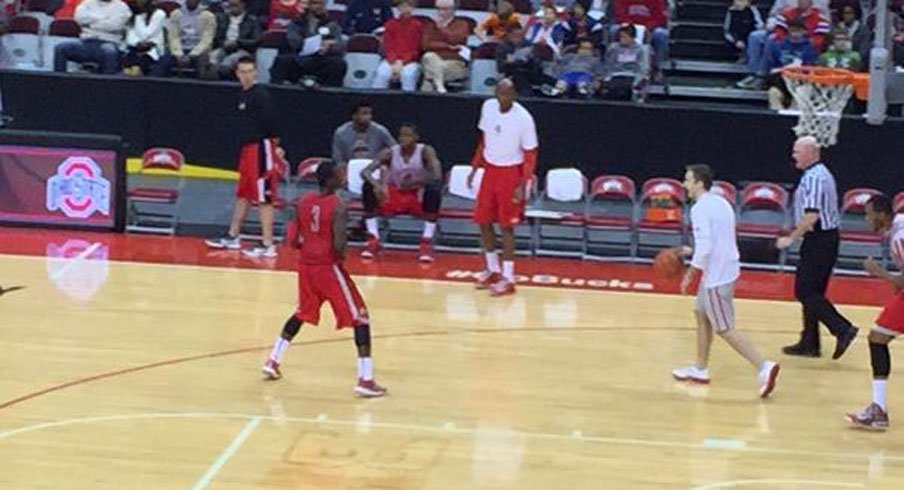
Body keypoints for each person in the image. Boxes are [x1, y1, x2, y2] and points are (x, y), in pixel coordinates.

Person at [261, 160, 387, 398]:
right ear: (330, 180)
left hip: (306, 267)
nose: (344, 176)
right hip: (328, 268)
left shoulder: (304, 201)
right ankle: (366, 379)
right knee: (360, 317)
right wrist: (339, 252)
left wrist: (310, 244)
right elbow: (339, 245)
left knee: (301, 312)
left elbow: (291, 239)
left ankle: (273, 360)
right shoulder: (338, 206)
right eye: (340, 173)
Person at [671, 164, 781, 398]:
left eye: (688, 180)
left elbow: (707, 246)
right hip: (725, 267)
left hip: (716, 275)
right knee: (701, 313)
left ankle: (764, 366)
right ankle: (700, 369)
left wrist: (690, 273)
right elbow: (717, 241)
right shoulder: (721, 202)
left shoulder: (700, 209)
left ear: (699, 183)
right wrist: (693, 251)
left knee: (724, 327)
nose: (684, 184)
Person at [776, 136, 859, 358]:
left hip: (820, 240)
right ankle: (810, 342)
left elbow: (811, 216)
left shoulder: (814, 177)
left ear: (811, 152)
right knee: (813, 292)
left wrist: (790, 238)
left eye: (797, 151)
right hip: (825, 240)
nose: (793, 155)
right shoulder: (820, 174)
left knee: (804, 291)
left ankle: (842, 328)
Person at [205, 57, 287, 258]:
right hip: (248, 149)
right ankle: (233, 235)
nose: (246, 75)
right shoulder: (242, 95)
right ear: (237, 74)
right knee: (244, 193)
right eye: (243, 72)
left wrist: (275, 147)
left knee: (264, 196)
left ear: (256, 72)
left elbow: (273, 124)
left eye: (250, 71)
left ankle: (268, 244)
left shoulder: (261, 95)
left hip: (261, 148)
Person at [467, 79, 538, 297]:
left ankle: (508, 278)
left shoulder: (524, 119)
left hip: (511, 173)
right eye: (499, 93)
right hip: (490, 170)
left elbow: (530, 154)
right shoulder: (487, 108)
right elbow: (484, 140)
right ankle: (492, 269)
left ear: (514, 95)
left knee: (507, 226)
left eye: (507, 94)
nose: (502, 98)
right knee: (483, 221)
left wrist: (522, 183)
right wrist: (474, 167)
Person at [845, 194, 904, 430]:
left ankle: (878, 411)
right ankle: (878, 409)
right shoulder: (898, 227)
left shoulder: (899, 237)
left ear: (881, 214)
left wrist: (878, 272)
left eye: (868, 215)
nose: (867, 220)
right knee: (878, 338)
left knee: (877, 339)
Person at [359, 123, 443, 262]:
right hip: (394, 194)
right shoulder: (390, 152)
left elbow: (437, 174)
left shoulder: (425, 151)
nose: (403, 138)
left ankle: (426, 243)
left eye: (408, 135)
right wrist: (377, 185)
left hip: (417, 195)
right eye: (401, 135)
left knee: (433, 190)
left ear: (416, 137)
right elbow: (365, 171)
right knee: (368, 187)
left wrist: (417, 182)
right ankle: (373, 239)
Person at [269, 0, 347, 87]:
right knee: (282, 61)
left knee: (339, 64)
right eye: (315, 3)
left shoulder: (332, 23)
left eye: (321, 4)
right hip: (300, 57)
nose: (319, 7)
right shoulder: (297, 22)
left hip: (322, 59)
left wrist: (330, 46)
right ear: (308, 6)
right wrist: (316, 44)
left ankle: (331, 93)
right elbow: (294, 41)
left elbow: (339, 44)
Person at [53, 0, 132, 74]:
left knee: (109, 52)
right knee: (60, 48)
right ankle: (59, 83)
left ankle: (109, 86)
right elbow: (79, 18)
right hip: (86, 41)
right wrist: (105, 19)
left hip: (109, 42)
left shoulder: (122, 7)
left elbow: (115, 26)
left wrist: (90, 24)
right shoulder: (87, 3)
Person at [371, 0, 424, 92]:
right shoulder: (390, 25)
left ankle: (408, 104)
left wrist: (402, 62)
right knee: (382, 73)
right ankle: (376, 102)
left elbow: (416, 48)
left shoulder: (418, 26)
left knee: (408, 75)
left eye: (409, 6)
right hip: (391, 59)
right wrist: (393, 61)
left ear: (413, 8)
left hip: (410, 61)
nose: (406, 9)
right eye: (403, 6)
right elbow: (388, 47)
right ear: (398, 8)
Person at [420, 0, 471, 93]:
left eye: (444, 9)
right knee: (429, 56)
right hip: (433, 60)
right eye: (438, 9)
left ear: (453, 10)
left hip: (454, 63)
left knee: (429, 78)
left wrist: (443, 29)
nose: (441, 12)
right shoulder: (431, 25)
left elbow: (457, 40)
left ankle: (436, 86)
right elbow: (426, 45)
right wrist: (448, 46)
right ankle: (440, 87)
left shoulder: (462, 24)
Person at [156, 0, 216, 78]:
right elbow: (173, 37)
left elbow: (207, 40)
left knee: (203, 64)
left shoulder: (208, 16)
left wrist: (192, 55)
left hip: (198, 51)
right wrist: (179, 54)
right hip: (179, 50)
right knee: (164, 61)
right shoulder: (176, 14)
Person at [331, 101, 397, 167]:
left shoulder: (381, 131)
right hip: (349, 168)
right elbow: (338, 159)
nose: (369, 117)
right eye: (365, 113)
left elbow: (396, 150)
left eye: (370, 114)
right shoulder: (340, 133)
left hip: (374, 169)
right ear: (354, 116)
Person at [208, 0, 262, 79]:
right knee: (211, 59)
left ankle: (226, 86)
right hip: (223, 47)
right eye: (231, 5)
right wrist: (223, 43)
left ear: (243, 5)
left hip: (242, 49)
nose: (232, 7)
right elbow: (215, 37)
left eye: (235, 5)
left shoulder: (252, 20)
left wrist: (238, 42)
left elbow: (256, 40)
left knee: (228, 62)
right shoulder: (221, 18)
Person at [496, 25, 548, 96]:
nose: (519, 39)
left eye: (521, 36)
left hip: (528, 72)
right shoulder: (503, 47)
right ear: (509, 35)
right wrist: (510, 62)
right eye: (515, 36)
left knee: (549, 80)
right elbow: (500, 67)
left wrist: (531, 58)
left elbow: (537, 63)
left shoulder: (528, 44)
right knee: (523, 84)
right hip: (512, 73)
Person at [601, 23, 648, 101]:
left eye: (625, 37)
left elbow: (642, 67)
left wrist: (637, 81)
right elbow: (608, 64)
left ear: (632, 38)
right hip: (615, 75)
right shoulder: (614, 48)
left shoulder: (640, 50)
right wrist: (607, 78)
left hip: (632, 75)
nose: (622, 39)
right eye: (621, 37)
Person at [122, 0, 166, 76]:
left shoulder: (159, 14)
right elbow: (130, 34)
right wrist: (137, 43)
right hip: (135, 47)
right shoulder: (134, 15)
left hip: (152, 49)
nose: (139, 1)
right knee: (127, 68)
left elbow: (148, 33)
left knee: (138, 67)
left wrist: (143, 43)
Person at [723, 0, 764, 64]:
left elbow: (760, 25)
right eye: (736, 1)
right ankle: (740, 55)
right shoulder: (731, 12)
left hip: (749, 36)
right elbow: (727, 30)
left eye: (741, 1)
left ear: (747, 2)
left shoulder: (752, 10)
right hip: (736, 37)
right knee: (728, 42)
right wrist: (736, 41)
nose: (738, 3)